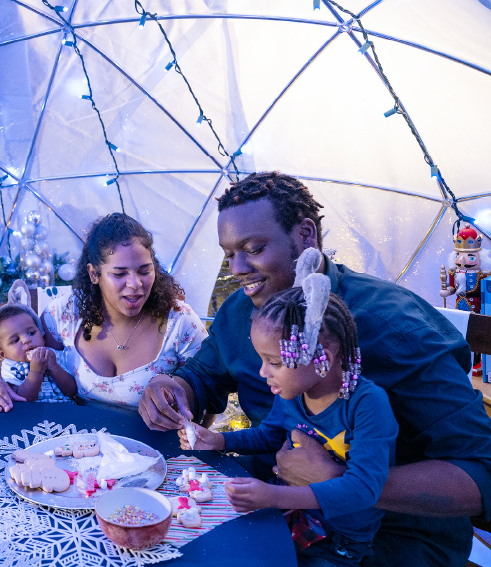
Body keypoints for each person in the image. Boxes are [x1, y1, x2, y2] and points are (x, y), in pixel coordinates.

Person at [140, 171, 491, 566]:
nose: (236, 268)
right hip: (273, 507)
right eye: (228, 254)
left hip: (388, 536)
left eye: (253, 248)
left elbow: (480, 475)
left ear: (306, 234)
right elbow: (202, 376)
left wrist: (337, 479)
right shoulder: (242, 312)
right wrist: (171, 388)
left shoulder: (394, 327)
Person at [183, 254, 397, 565]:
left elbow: (363, 489)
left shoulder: (366, 405)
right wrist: (220, 441)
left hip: (337, 543)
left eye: (275, 362)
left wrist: (273, 496)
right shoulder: (294, 392)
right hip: (286, 516)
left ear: (320, 355)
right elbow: (269, 436)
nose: (262, 373)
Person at [0, 213, 206, 413]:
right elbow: (30, 351)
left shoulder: (180, 322)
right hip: (83, 449)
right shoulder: (64, 313)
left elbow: (210, 390)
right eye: (119, 274)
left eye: (144, 270)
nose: (135, 284)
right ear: (94, 274)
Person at [0, 280, 77, 403]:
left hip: (65, 413)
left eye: (31, 333)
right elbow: (23, 399)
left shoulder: (54, 356)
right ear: (2, 354)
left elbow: (72, 391)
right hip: (35, 417)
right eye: (15, 340)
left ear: (42, 335)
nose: (26, 339)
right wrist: (36, 371)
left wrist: (54, 367)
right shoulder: (11, 368)